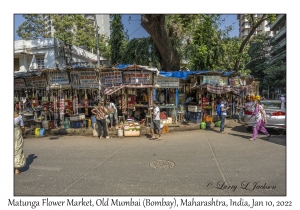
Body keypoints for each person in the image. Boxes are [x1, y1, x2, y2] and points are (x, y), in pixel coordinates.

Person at [14, 109, 26, 174]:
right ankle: (16, 169)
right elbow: (22, 127)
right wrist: (24, 134)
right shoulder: (19, 117)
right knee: (17, 150)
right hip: (17, 134)